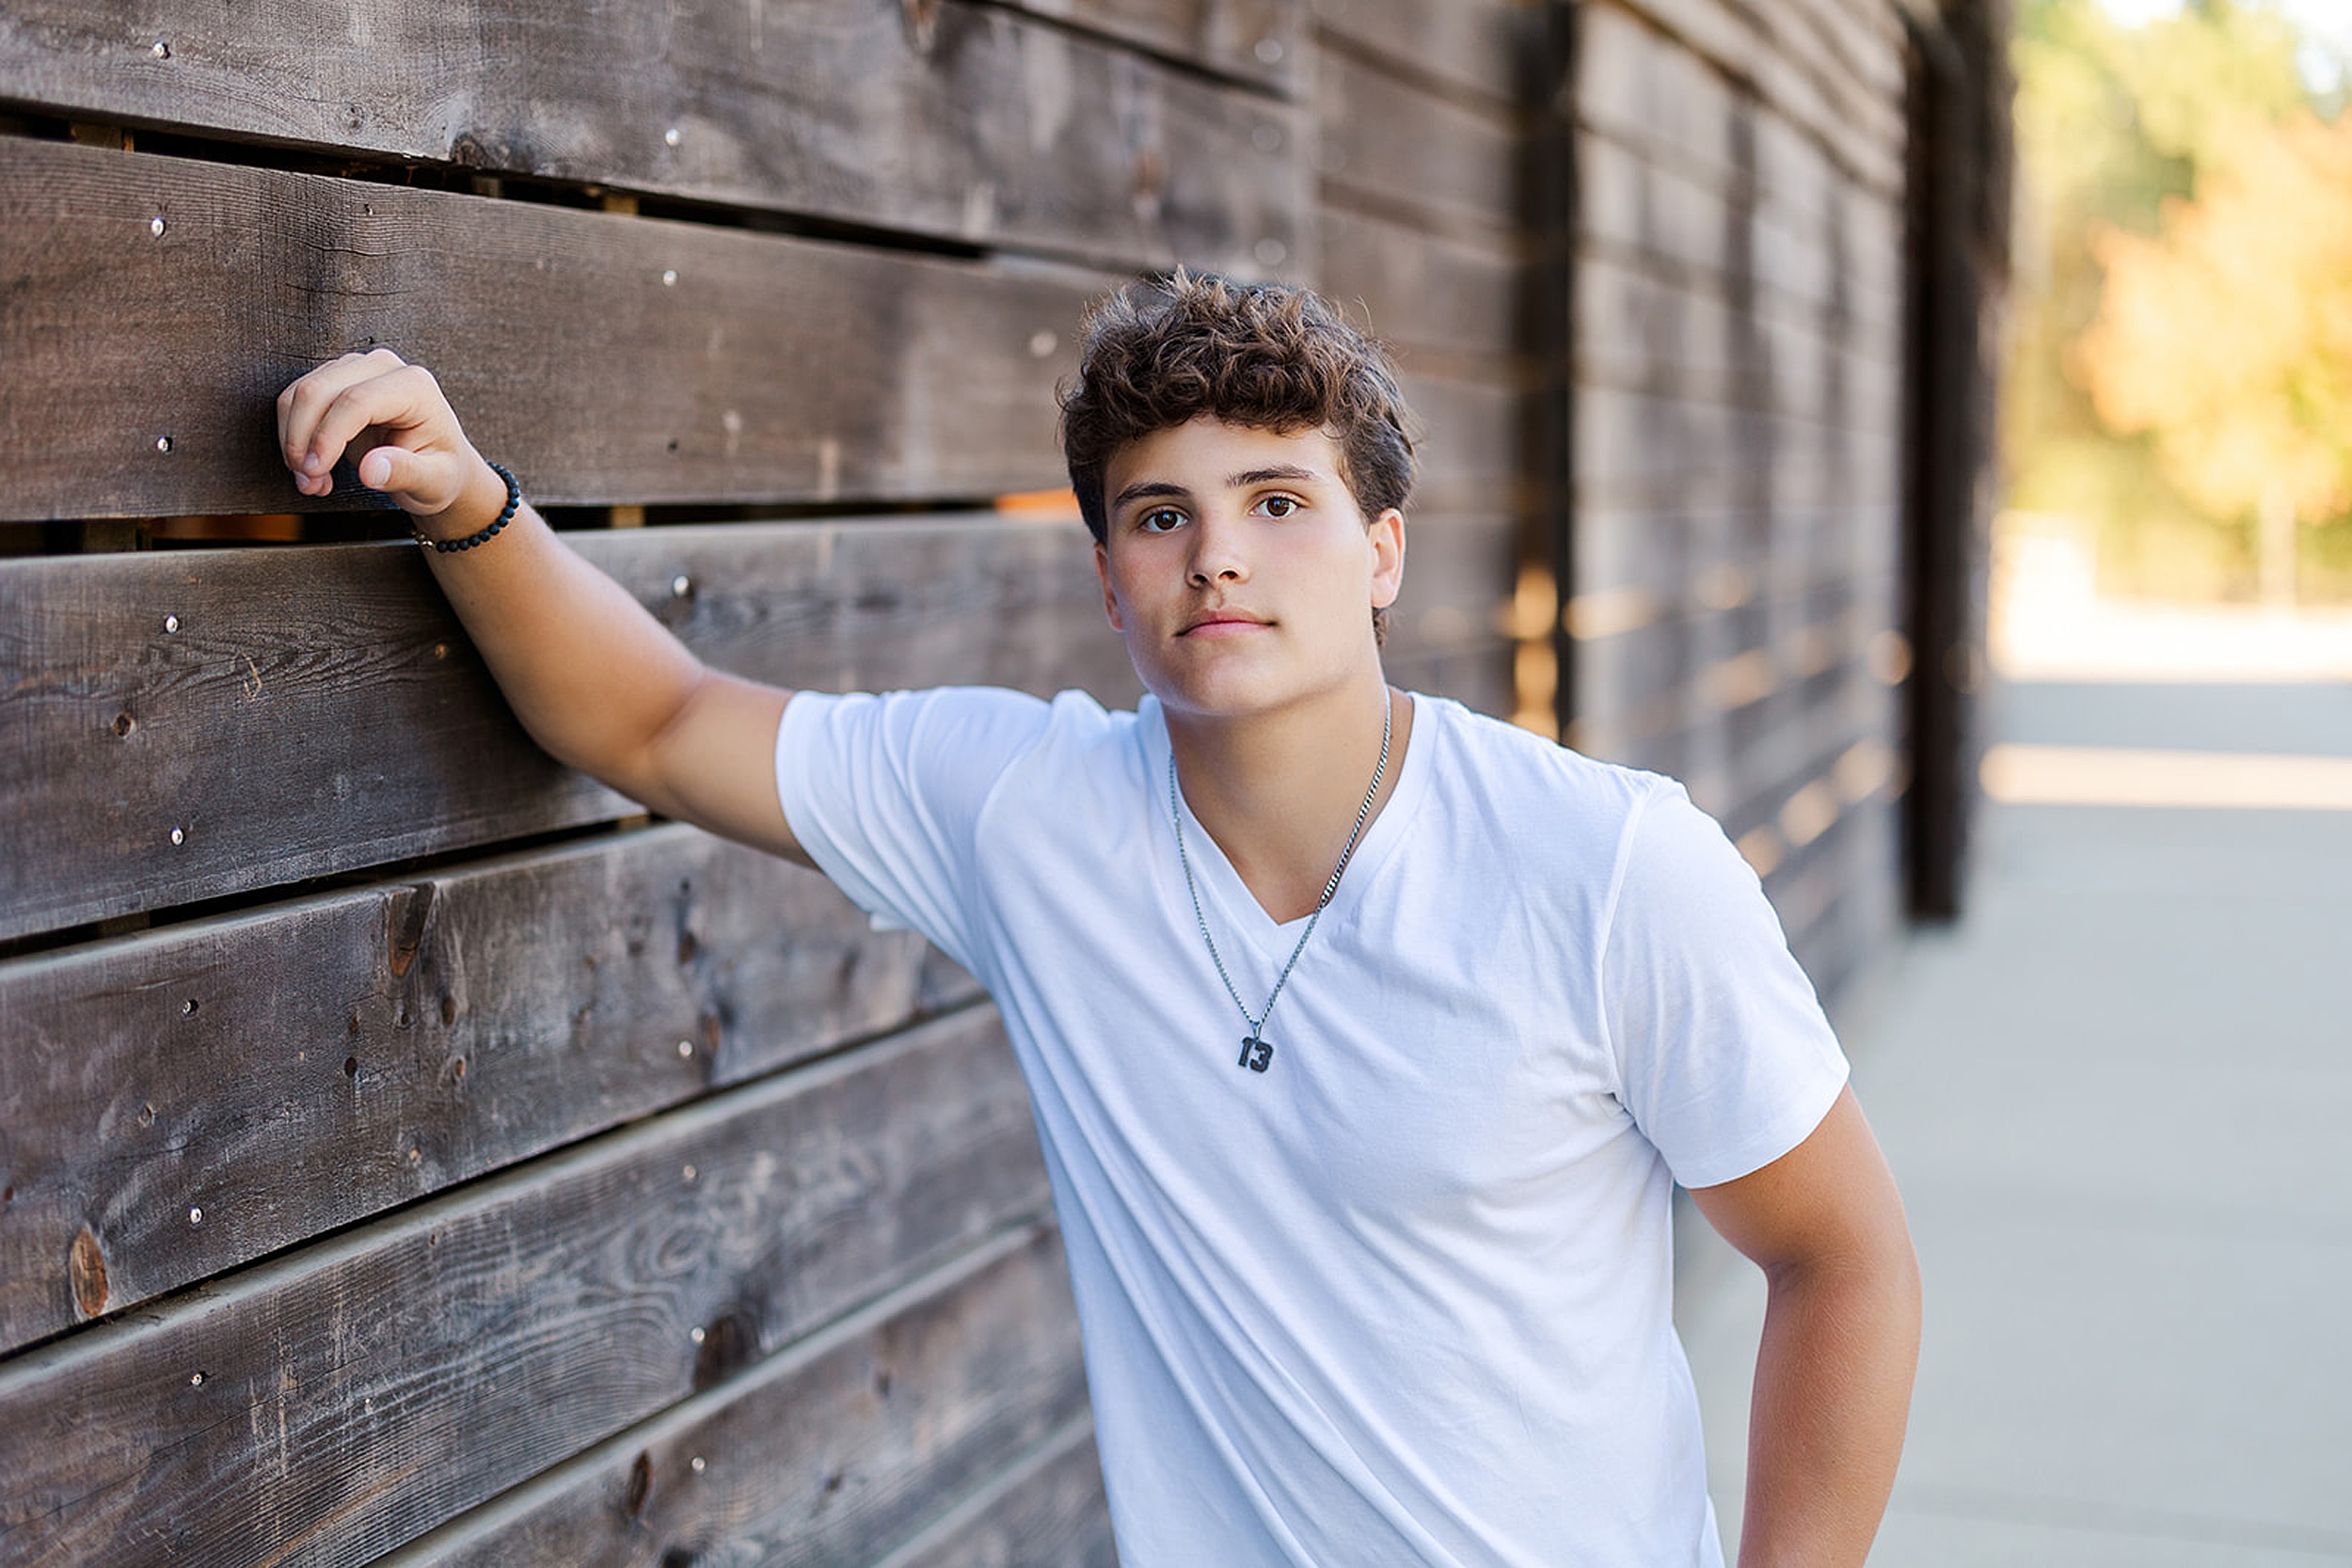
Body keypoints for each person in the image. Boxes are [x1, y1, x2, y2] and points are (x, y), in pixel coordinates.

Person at [276, 272, 1920, 1566]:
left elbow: (1841, 1260)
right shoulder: (1029, 813)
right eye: (1161, 516)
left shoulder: (1608, 867)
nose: (1219, 557)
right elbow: (648, 719)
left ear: (1382, 554)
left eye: (1280, 503)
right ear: (1107, 577)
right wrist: (463, 495)